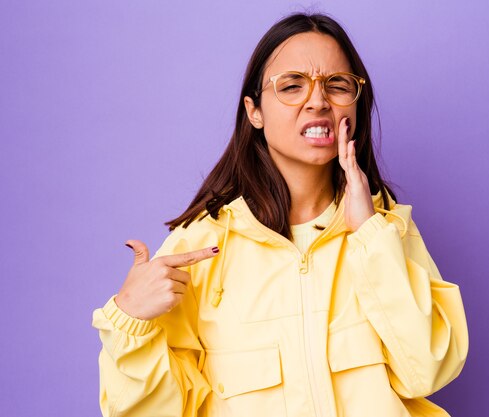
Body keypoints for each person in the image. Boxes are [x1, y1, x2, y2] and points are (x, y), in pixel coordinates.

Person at [92, 12, 469, 417]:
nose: (318, 101)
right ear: (254, 111)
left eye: (337, 85)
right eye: (292, 86)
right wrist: (130, 319)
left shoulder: (386, 228)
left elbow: (429, 369)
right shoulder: (199, 247)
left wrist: (369, 236)